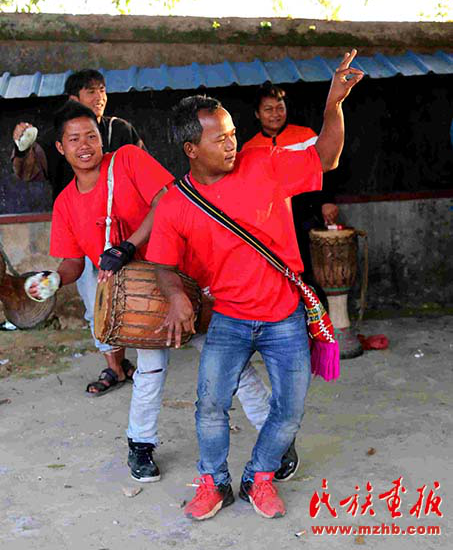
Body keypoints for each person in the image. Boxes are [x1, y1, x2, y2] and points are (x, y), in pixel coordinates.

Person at [146, 51, 363, 520]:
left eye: (233, 134)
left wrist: (334, 104)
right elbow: (162, 263)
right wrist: (176, 295)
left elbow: (327, 156)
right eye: (220, 139)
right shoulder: (175, 204)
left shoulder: (264, 162)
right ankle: (213, 483)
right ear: (191, 149)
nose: (232, 144)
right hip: (228, 319)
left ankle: (259, 477)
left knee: (289, 409)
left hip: (284, 315)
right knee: (210, 406)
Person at [28, 101, 292, 484]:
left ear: (101, 138)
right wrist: (52, 280)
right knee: (149, 370)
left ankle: (276, 440)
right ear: (60, 147)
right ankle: (140, 445)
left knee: (230, 362)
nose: (84, 145)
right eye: (74, 139)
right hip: (140, 298)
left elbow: (166, 200)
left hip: (184, 277)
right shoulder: (66, 203)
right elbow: (73, 263)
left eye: (91, 136)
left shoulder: (128, 160)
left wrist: (129, 245)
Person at [12, 70, 146, 393]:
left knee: (142, 304)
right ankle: (116, 367)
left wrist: (133, 240)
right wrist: (23, 148)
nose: (99, 97)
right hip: (83, 237)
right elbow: (27, 171)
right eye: (91, 91)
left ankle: (147, 365)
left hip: (130, 234)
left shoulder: (120, 131)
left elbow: (151, 184)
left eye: (102, 90)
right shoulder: (56, 140)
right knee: (97, 306)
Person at [242, 83, 339, 282]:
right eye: (268, 109)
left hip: (306, 213)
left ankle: (312, 302)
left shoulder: (306, 136)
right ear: (257, 114)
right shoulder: (249, 148)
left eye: (280, 108)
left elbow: (326, 169)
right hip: (270, 223)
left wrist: (327, 201)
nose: (275, 114)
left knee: (310, 269)